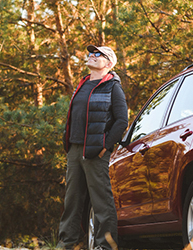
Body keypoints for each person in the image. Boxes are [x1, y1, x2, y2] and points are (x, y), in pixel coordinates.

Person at [58, 45, 128, 250]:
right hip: (74, 150)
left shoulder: (113, 87)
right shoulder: (82, 84)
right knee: (71, 200)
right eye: (91, 53)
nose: (92, 56)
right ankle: (66, 244)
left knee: (101, 201)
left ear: (109, 63)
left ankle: (104, 246)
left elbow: (122, 121)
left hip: (96, 152)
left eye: (98, 54)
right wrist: (68, 143)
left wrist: (105, 146)